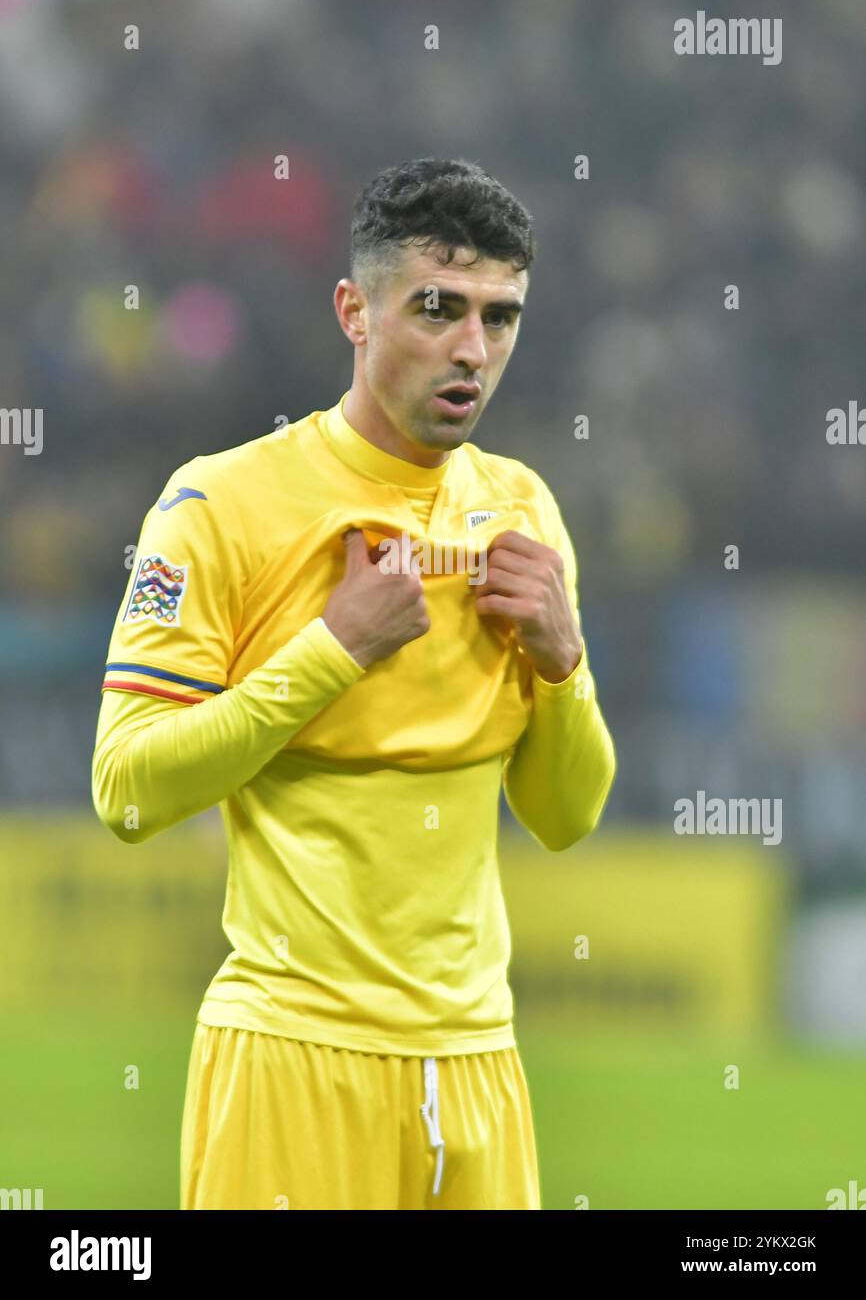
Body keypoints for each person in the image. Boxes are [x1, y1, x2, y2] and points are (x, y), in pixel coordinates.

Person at [91, 157, 616, 1210]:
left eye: (499, 317)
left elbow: (564, 815)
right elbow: (129, 790)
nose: (471, 347)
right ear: (353, 311)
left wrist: (562, 670)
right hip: (291, 1053)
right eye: (437, 307)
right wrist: (332, 650)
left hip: (478, 1062)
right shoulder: (219, 505)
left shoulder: (521, 509)